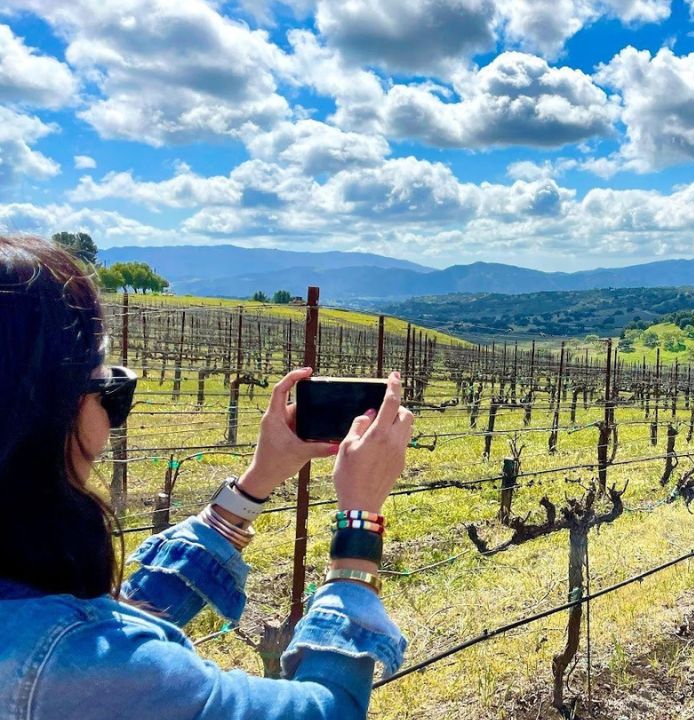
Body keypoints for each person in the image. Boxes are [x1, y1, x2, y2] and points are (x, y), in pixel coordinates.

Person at [0, 234, 414, 718]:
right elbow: (327, 709)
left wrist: (257, 481)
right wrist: (359, 522)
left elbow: (125, 622)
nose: (113, 417)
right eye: (110, 387)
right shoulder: (61, 666)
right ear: (42, 410)